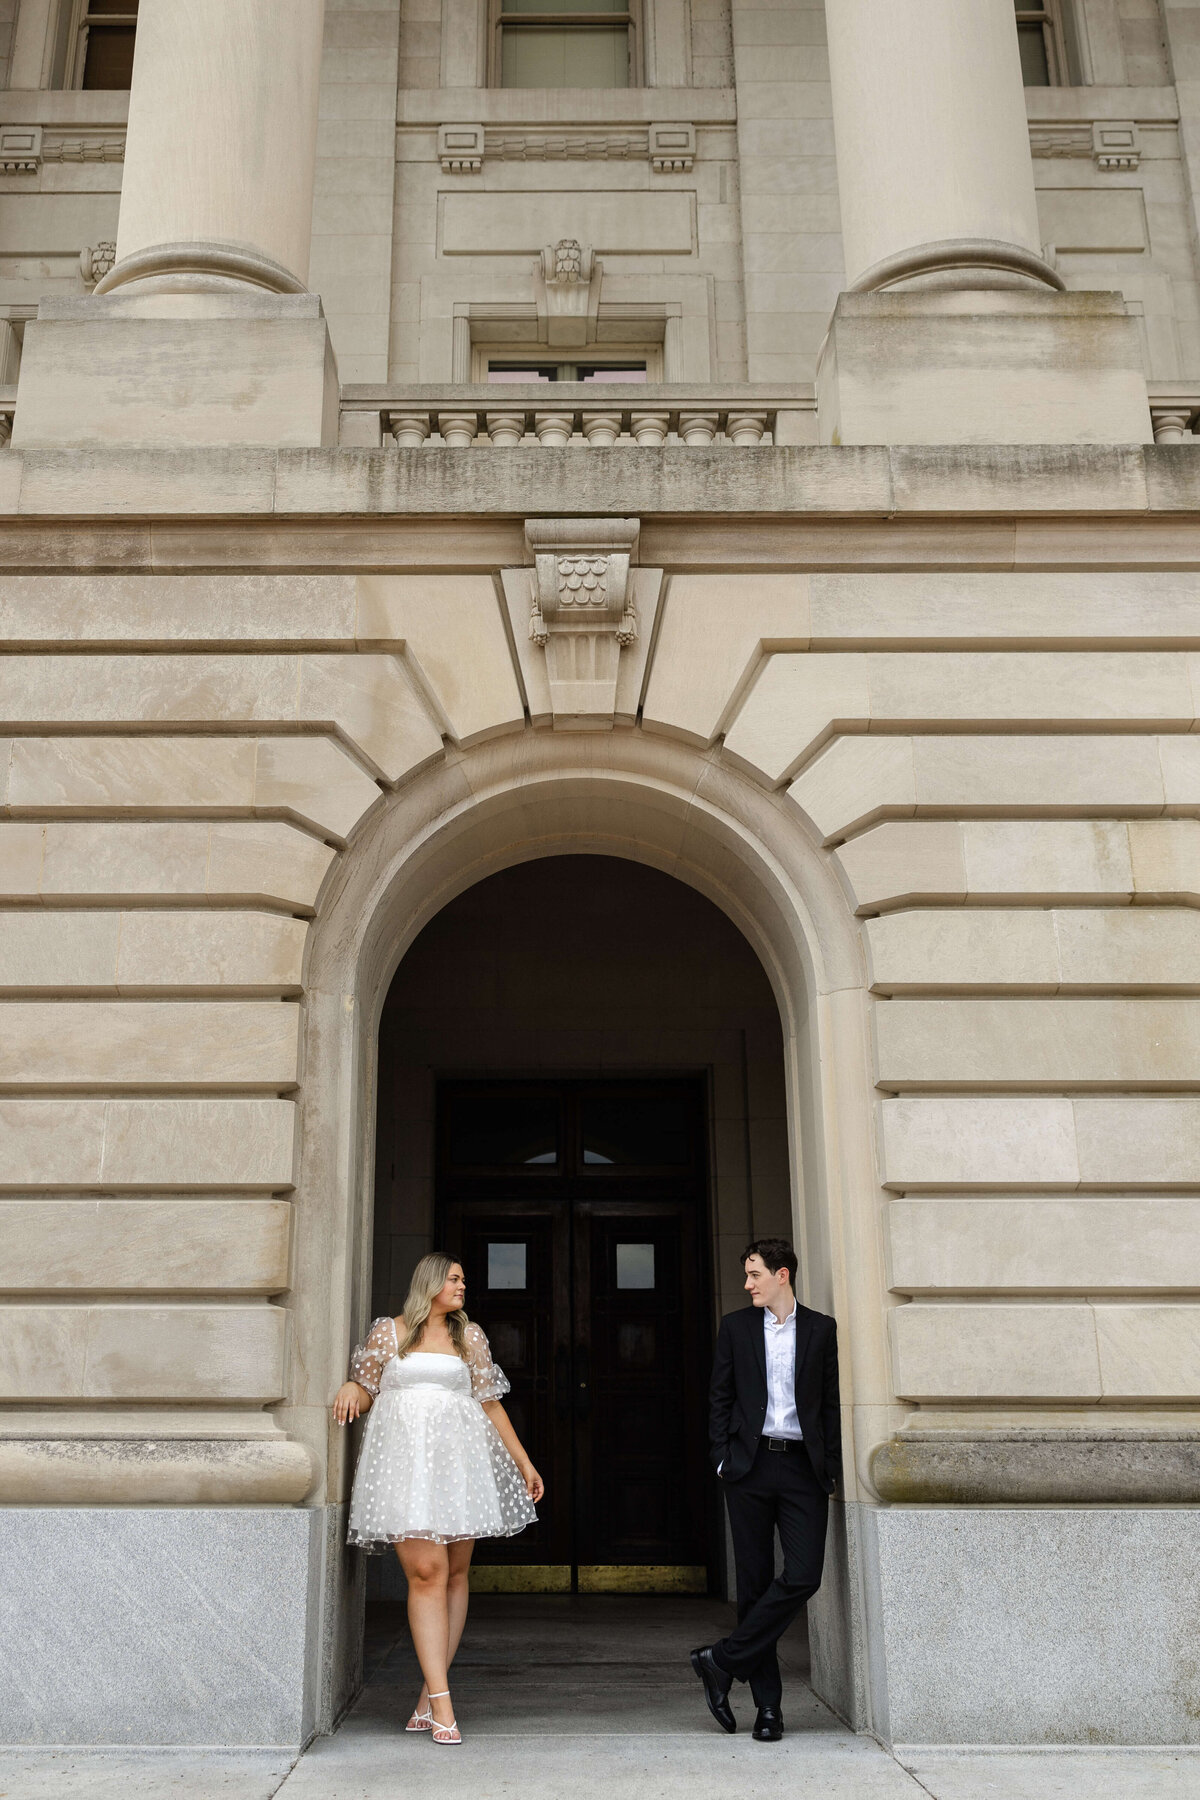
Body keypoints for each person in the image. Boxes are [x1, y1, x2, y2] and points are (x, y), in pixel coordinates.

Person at [333, 1251, 544, 1746]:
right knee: (425, 1573)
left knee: (453, 1575)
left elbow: (490, 1404)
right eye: (455, 1279)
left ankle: (431, 1692)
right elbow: (367, 1387)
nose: (463, 1286)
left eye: (463, 1280)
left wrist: (524, 1462)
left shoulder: (467, 1336)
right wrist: (350, 1385)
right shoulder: (389, 1331)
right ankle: (444, 1703)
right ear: (429, 1282)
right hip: (406, 1470)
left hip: (458, 1469)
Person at [690, 1237, 840, 1742]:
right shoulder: (735, 1328)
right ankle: (768, 1709)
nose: (747, 1284)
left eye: (754, 1274)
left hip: (802, 1470)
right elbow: (720, 1397)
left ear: (783, 1276)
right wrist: (721, 1461)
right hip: (749, 1470)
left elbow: (831, 1404)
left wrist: (831, 1466)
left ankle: (721, 1660)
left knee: (802, 1575)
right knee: (753, 1587)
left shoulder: (821, 1329)